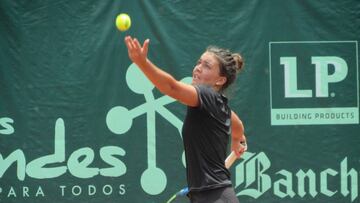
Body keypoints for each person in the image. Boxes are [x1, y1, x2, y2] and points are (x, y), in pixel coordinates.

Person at [124, 36, 247, 203]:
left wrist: (142, 63)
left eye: (206, 66)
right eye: (199, 63)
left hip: (214, 196)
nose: (197, 68)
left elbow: (172, 88)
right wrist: (237, 139)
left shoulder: (207, 95)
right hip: (214, 195)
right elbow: (238, 124)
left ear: (220, 80)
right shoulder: (219, 104)